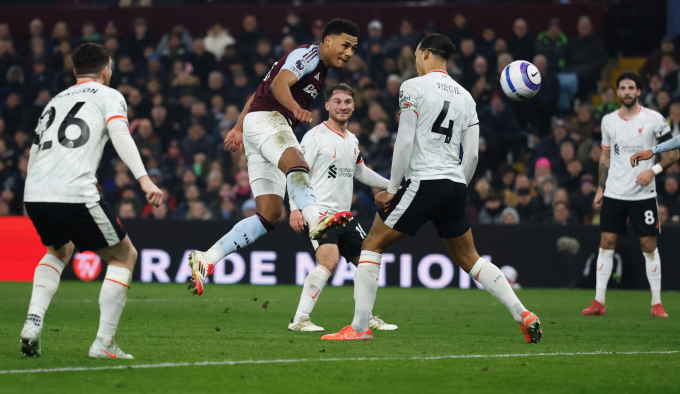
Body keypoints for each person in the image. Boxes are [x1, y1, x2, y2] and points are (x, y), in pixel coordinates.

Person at [321, 34, 542, 343]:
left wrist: (394, 188)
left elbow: (406, 140)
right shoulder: (467, 97)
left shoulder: (412, 86)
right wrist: (458, 187)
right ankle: (523, 314)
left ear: (425, 53)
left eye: (415, 55)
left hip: (423, 180)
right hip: (454, 184)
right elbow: (474, 154)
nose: (414, 61)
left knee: (371, 245)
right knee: (471, 259)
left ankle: (358, 329)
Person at [186, 19, 360, 296]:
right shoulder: (310, 55)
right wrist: (296, 109)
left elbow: (259, 91)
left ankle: (206, 259)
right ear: (328, 40)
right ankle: (316, 220)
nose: (349, 52)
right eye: (345, 44)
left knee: (269, 215)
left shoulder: (318, 67)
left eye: (354, 48)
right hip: (270, 120)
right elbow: (279, 85)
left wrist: (238, 127)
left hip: (258, 125)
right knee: (298, 164)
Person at [20, 43, 163, 359]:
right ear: (106, 70)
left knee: (59, 250)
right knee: (124, 256)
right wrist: (144, 178)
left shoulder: (54, 101)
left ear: (74, 72)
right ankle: (103, 342)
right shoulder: (109, 95)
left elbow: (33, 151)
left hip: (35, 192)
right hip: (72, 194)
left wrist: (32, 192)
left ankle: (33, 321)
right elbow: (121, 135)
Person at [287, 83, 396, 332]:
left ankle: (365, 318)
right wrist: (295, 207)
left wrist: (393, 186)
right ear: (327, 106)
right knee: (330, 260)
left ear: (353, 107)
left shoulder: (352, 140)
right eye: (337, 101)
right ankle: (299, 319)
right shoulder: (315, 137)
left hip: (344, 216)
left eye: (347, 102)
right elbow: (297, 172)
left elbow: (361, 172)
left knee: (368, 262)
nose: (342, 106)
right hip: (319, 212)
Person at [584, 72, 678, 318]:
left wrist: (653, 171)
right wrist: (600, 188)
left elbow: (674, 153)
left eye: (631, 88)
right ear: (617, 92)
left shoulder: (654, 119)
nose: (626, 92)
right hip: (614, 192)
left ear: (639, 91)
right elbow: (605, 157)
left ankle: (656, 303)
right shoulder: (608, 121)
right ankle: (598, 301)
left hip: (643, 194)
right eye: (622, 88)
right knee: (606, 243)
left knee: (648, 245)